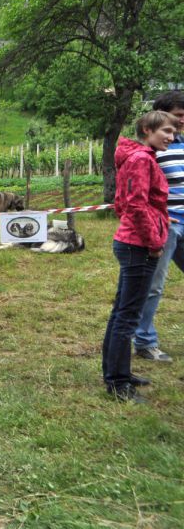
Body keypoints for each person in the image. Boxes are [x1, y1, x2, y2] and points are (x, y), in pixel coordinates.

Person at [102, 110, 176, 403]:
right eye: (166, 131)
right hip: (139, 247)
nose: (171, 137)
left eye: (173, 132)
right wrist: (154, 240)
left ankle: (117, 372)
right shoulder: (141, 160)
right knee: (127, 316)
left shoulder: (140, 158)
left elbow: (125, 203)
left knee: (122, 311)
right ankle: (118, 383)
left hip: (134, 242)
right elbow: (134, 205)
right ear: (147, 129)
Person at [135, 91, 184, 363]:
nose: (181, 122)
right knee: (154, 285)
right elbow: (138, 193)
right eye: (177, 116)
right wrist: (160, 216)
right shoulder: (151, 151)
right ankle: (144, 341)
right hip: (167, 227)